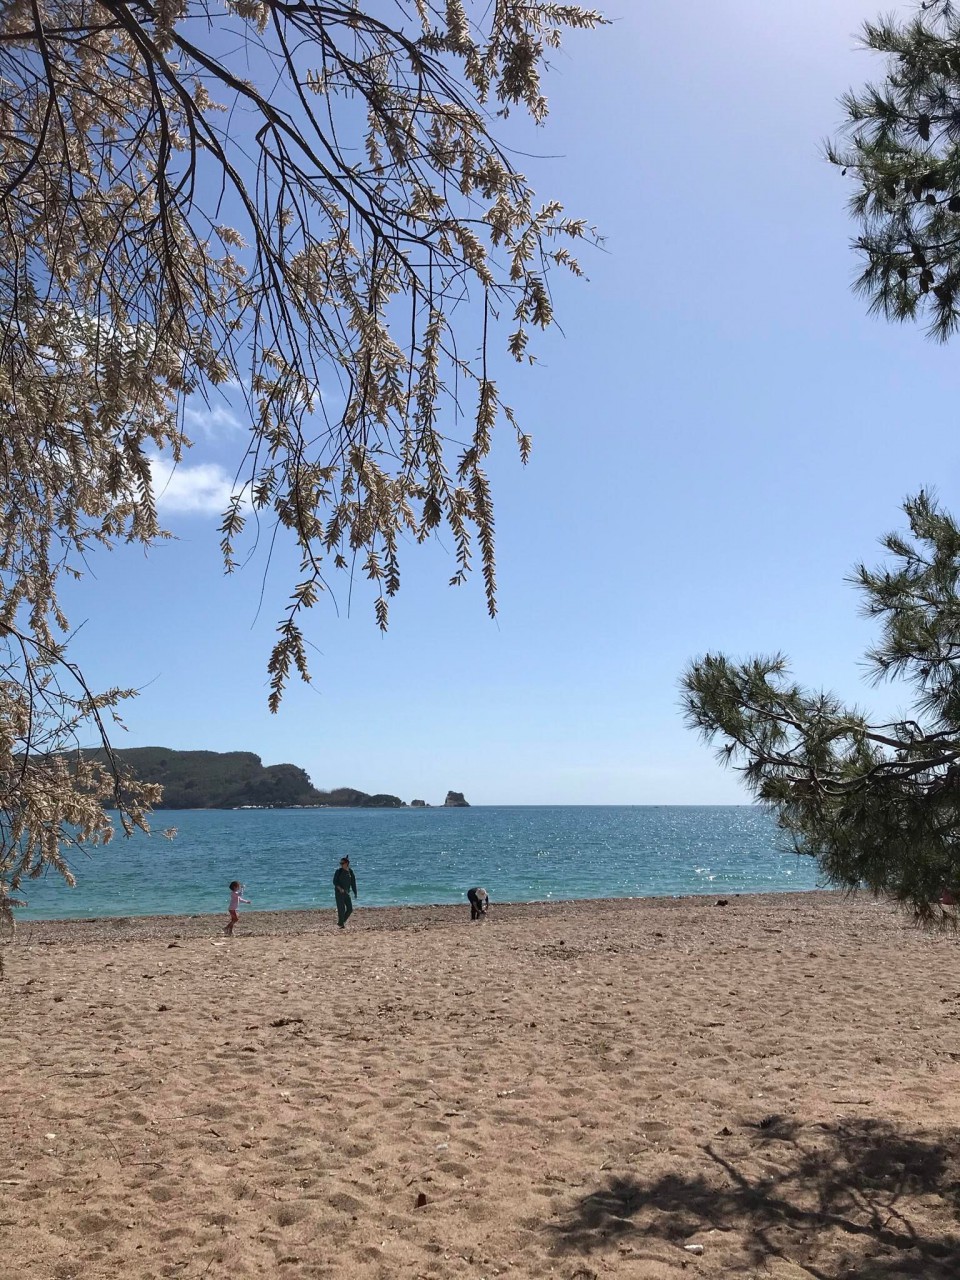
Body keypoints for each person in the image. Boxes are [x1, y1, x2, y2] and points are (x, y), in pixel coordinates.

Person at [333, 856, 358, 928]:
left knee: (350, 909)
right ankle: (341, 924)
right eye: (340, 863)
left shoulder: (350, 872)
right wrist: (340, 888)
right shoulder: (338, 871)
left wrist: (355, 892)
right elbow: (334, 882)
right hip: (339, 893)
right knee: (341, 909)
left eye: (342, 863)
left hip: (347, 893)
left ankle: (341, 922)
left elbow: (353, 883)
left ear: (347, 863)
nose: (341, 864)